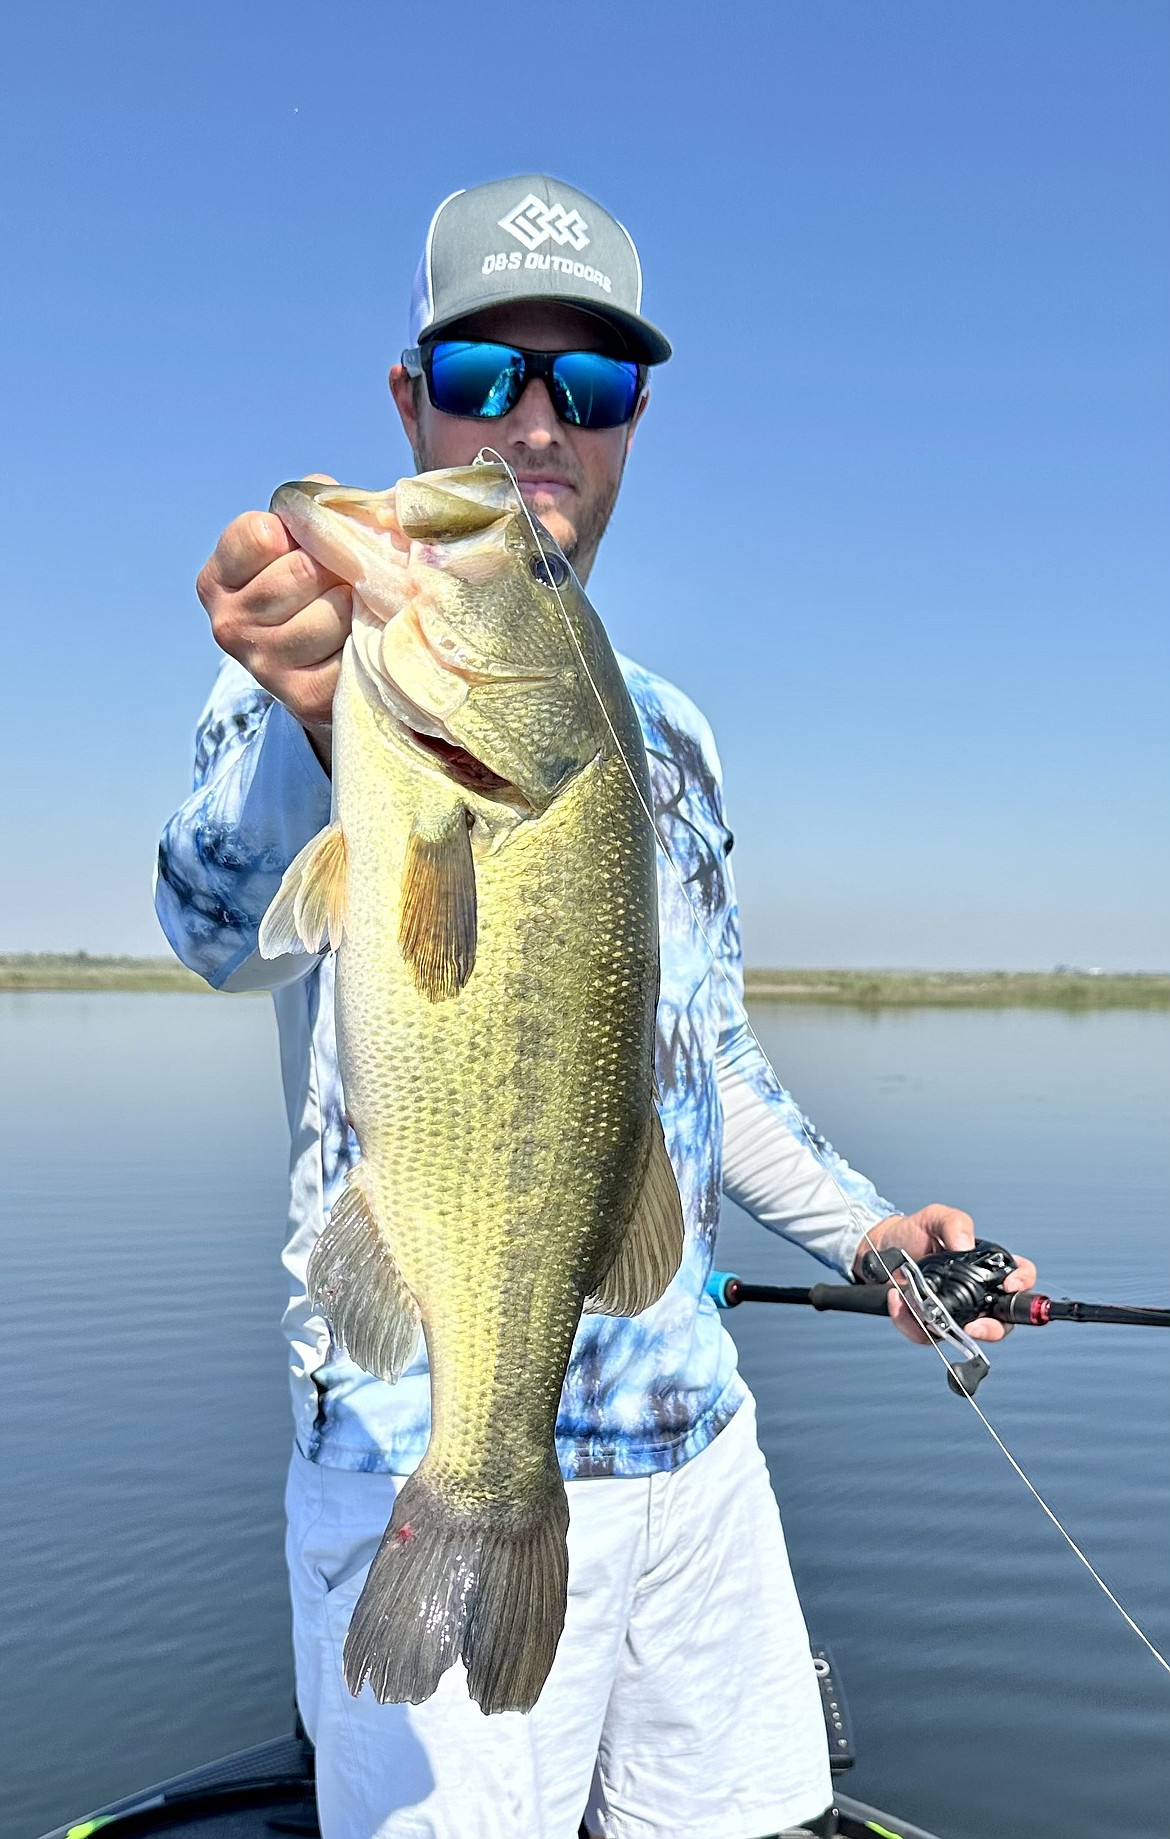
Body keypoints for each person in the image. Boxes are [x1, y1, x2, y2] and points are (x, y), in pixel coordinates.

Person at [156, 175, 1036, 1839]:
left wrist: (872, 1239)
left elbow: (708, 1072)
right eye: (485, 376)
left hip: (693, 1456)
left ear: (636, 423)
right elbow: (211, 927)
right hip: (420, 1452)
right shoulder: (320, 677)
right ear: (410, 396)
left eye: (593, 386)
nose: (533, 427)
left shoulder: (674, 735)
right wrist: (299, 714)